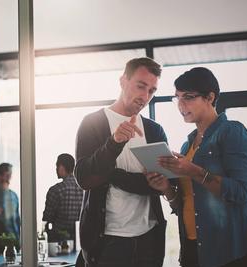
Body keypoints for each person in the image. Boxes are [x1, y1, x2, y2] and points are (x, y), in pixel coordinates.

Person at [147, 67, 247, 267]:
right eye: (177, 98)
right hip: (193, 249)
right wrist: (165, 187)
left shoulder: (232, 132)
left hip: (230, 250)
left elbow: (243, 192)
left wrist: (193, 171)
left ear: (210, 97)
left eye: (188, 97)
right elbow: (184, 205)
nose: (181, 105)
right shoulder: (187, 145)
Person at [75, 57, 168, 267]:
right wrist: (114, 143)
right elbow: (84, 178)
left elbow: (160, 185)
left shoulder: (154, 130)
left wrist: (113, 175)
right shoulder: (93, 123)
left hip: (149, 239)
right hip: (107, 241)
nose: (145, 96)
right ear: (123, 81)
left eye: (152, 91)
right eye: (140, 86)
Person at [42, 153, 83, 242]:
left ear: (61, 167)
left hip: (59, 240)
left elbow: (46, 219)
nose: (56, 169)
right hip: (80, 240)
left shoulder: (56, 190)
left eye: (57, 166)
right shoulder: (84, 189)